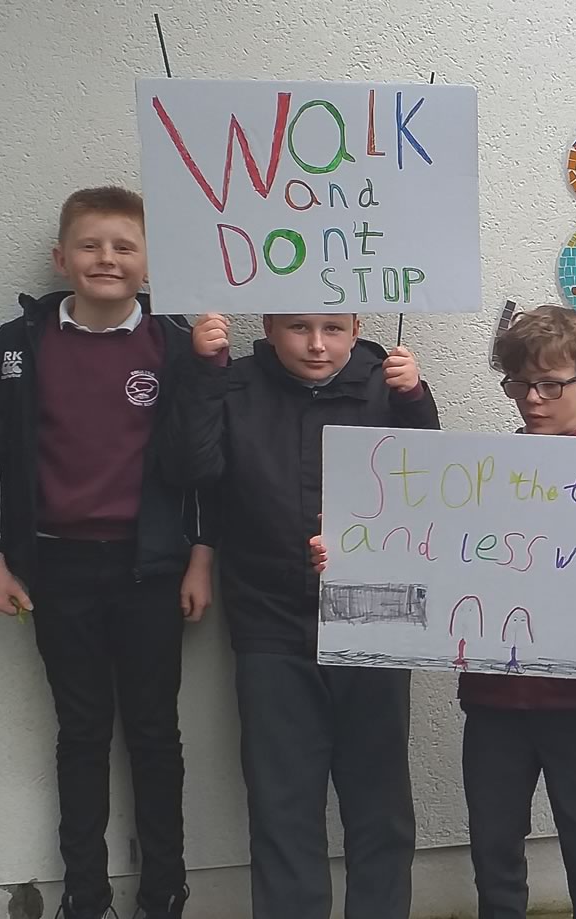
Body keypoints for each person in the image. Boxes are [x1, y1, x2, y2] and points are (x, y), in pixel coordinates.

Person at [305, 306, 576, 919]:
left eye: (551, 385)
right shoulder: (482, 479)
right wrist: (347, 563)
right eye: (519, 384)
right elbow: (425, 558)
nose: (533, 398)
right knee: (494, 856)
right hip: (491, 702)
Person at [0, 186, 215, 919]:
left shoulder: (172, 344)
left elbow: (199, 459)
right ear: (61, 258)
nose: (107, 258)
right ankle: (85, 890)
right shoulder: (21, 344)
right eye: (91, 245)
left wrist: (200, 555)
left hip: (152, 569)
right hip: (56, 568)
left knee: (153, 730)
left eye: (124, 246)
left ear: (148, 262)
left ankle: (164, 888)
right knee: (80, 730)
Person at [158, 310, 438, 919]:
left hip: (378, 615)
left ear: (358, 325)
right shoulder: (234, 380)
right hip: (270, 618)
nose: (316, 345)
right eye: (297, 328)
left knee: (380, 803)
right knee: (282, 804)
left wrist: (416, 398)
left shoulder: (388, 380)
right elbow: (192, 470)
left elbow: (433, 489)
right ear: (268, 325)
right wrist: (203, 374)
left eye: (334, 329)